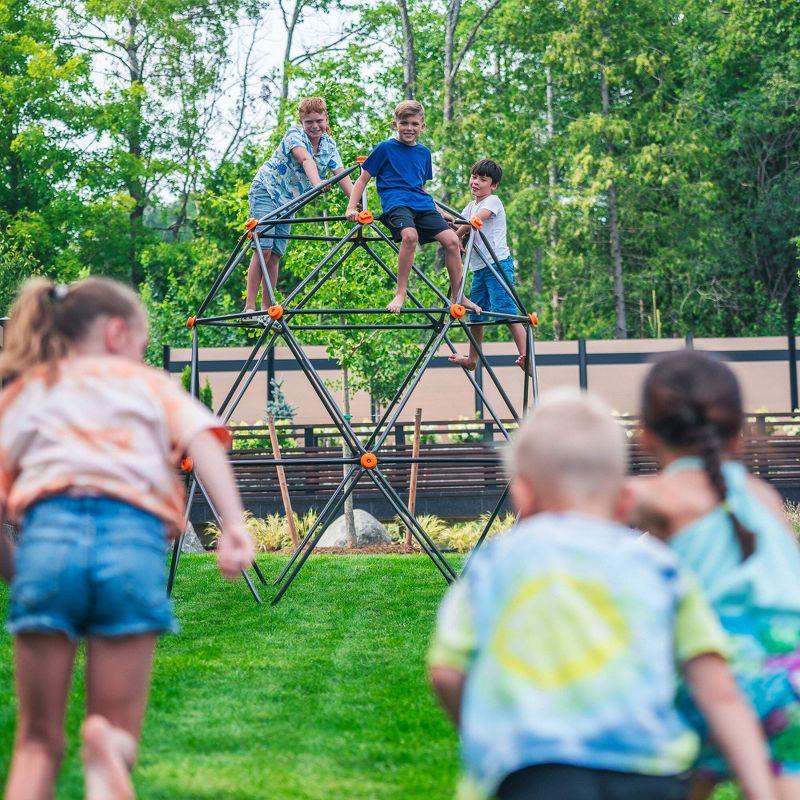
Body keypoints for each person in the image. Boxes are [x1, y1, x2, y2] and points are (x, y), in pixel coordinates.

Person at [428, 389, 776, 800]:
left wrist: (487, 731)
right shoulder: (658, 565)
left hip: (534, 773)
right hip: (650, 772)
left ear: (522, 493)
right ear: (626, 496)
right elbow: (718, 689)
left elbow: (446, 672)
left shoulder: (493, 564)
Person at [0, 277, 255, 800]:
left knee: (36, 744)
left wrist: (16, 569)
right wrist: (233, 525)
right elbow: (203, 439)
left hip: (48, 542)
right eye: (142, 339)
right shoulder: (148, 385)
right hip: (132, 545)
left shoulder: (33, 388)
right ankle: (108, 748)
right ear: (118, 333)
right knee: (117, 728)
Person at [630, 349, 800, 800]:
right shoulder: (763, 496)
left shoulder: (660, 495)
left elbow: (583, 497)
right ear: (738, 434)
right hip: (793, 666)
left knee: (683, 778)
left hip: (722, 662)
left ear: (645, 435)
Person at [345, 100, 480, 315]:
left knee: (453, 240)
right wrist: (351, 207)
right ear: (394, 124)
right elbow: (362, 180)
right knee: (410, 236)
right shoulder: (385, 148)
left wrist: (439, 211)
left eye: (415, 124)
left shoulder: (424, 153)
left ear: (422, 126)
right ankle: (401, 292)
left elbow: (420, 187)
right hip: (396, 203)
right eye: (404, 123)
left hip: (421, 204)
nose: (409, 128)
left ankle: (459, 295)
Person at [245, 96, 354, 320]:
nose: (315, 126)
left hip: (289, 203)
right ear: (301, 122)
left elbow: (341, 174)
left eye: (319, 121)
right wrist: (317, 184)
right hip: (268, 190)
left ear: (326, 120)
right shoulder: (294, 135)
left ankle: (267, 308)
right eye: (309, 122)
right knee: (263, 248)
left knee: (275, 254)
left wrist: (356, 203)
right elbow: (305, 159)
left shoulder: (329, 145)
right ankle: (249, 307)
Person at [447, 159, 528, 372]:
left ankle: (527, 358)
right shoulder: (470, 205)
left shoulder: (493, 201)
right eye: (474, 177)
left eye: (483, 180)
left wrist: (455, 239)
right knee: (475, 314)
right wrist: (446, 225)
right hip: (479, 269)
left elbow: (476, 220)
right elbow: (459, 223)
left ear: (493, 185)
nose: (476, 182)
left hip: (497, 265)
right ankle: (473, 360)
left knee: (508, 312)